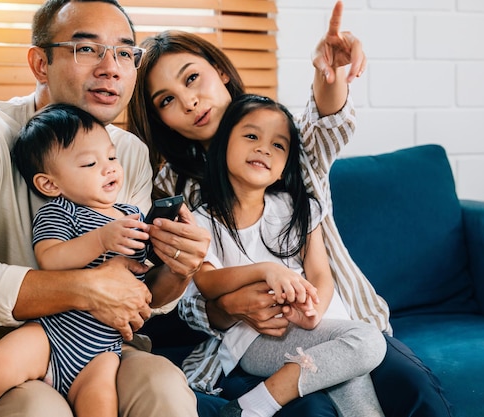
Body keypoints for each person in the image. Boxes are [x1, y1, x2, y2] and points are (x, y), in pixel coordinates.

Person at [127, 2, 452, 416]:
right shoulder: (174, 190)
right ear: (162, 121)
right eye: (167, 100)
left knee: (413, 389)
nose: (190, 101)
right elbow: (188, 294)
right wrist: (231, 306)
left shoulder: (288, 147)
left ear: (221, 72)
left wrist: (328, 76)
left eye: (193, 79)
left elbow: (326, 123)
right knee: (315, 410)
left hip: (338, 322)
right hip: (250, 340)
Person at [0, 1, 209, 416]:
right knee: (40, 410)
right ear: (40, 64)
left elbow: (139, 294)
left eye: (125, 52)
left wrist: (179, 268)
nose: (111, 67)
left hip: (95, 342)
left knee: (164, 386)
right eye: (87, 49)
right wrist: (84, 287)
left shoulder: (127, 152)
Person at [0, 103, 153, 417]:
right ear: (50, 184)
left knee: (101, 405)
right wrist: (101, 239)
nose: (109, 168)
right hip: (51, 334)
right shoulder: (61, 212)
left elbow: (142, 272)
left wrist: (166, 244)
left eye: (111, 156)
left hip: (101, 349)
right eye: (90, 163)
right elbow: (50, 259)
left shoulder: (130, 215)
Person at [191, 94, 387, 417]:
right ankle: (258, 404)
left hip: (324, 327)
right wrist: (265, 270)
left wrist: (314, 311)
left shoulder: (298, 208)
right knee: (367, 342)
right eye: (251, 136)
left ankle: (250, 407)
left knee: (358, 387)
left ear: (284, 167)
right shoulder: (202, 220)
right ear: (223, 144)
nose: (264, 149)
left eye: (278, 145)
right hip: (258, 338)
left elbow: (321, 274)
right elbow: (208, 282)